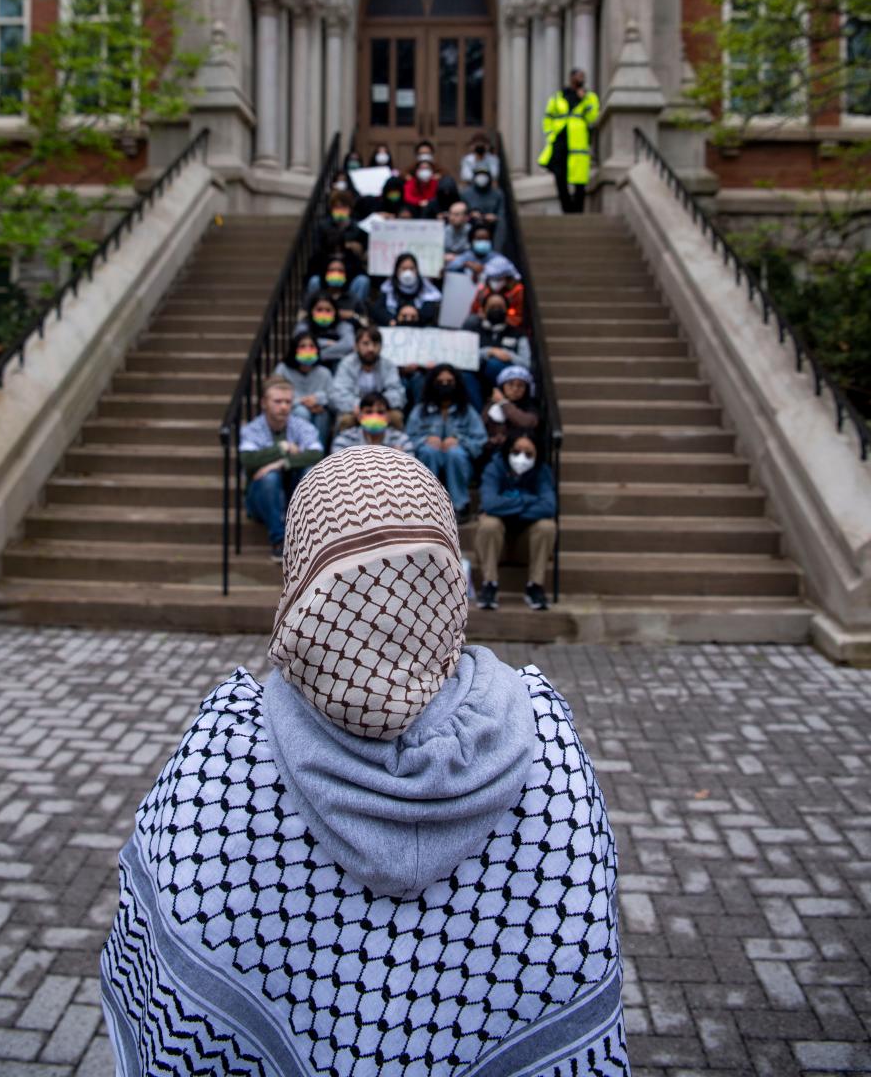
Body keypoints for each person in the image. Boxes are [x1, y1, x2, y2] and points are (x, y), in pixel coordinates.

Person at [102, 446, 626, 1076]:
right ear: (447, 575)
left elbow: (162, 986)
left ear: (299, 573)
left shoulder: (227, 742)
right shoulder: (544, 730)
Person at [238, 376, 323, 559]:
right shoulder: (251, 429)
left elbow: (317, 454)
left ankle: (303, 535)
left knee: (309, 472)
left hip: (292, 492)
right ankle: (279, 540)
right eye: (277, 401)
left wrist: (281, 463)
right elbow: (248, 459)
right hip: (260, 498)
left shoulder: (301, 426)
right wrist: (282, 448)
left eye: (288, 401)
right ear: (264, 403)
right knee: (269, 478)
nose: (284, 406)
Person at [475, 433, 558, 611]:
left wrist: (507, 505)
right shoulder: (494, 468)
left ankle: (535, 586)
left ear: (536, 455)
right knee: (489, 523)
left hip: (525, 544)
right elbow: (489, 503)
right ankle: (490, 583)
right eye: (517, 451)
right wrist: (528, 500)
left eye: (528, 454)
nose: (522, 457)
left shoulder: (542, 471)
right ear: (508, 451)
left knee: (547, 525)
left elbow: (549, 507)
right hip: (497, 544)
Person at [405, 363, 487, 521]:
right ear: (432, 384)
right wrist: (425, 440)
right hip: (428, 462)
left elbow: (480, 440)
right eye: (440, 381)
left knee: (454, 453)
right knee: (429, 451)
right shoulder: (420, 411)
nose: (444, 385)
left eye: (449, 381)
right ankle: (427, 505)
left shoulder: (467, 411)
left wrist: (459, 441)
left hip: (459, 466)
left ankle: (460, 505)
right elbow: (408, 439)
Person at [538, 66, 600, 214]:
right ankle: (567, 209)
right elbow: (548, 117)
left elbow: (593, 117)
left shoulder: (590, 97)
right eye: (579, 76)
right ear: (571, 78)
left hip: (578, 143)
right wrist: (550, 134)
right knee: (560, 176)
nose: (582, 79)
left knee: (579, 179)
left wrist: (583, 99)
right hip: (560, 140)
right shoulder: (558, 97)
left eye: (583, 77)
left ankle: (577, 211)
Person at [330, 325, 406, 430]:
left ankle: (396, 446)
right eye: (365, 344)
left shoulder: (388, 365)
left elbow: (398, 393)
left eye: (375, 344)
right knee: (346, 420)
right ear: (356, 346)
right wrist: (362, 407)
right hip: (354, 410)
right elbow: (338, 395)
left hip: (382, 409)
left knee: (396, 417)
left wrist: (379, 407)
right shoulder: (346, 364)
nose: (371, 349)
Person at [273, 332, 334, 448]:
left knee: (323, 414)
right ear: (294, 349)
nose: (308, 350)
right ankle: (301, 451)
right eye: (302, 346)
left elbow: (334, 398)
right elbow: (275, 396)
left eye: (312, 346)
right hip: (291, 412)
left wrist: (318, 399)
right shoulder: (283, 369)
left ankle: (317, 453)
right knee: (302, 412)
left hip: (319, 414)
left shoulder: (324, 372)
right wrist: (302, 402)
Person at [331, 390, 415, 453]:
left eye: (380, 412)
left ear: (388, 416)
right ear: (359, 416)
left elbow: (411, 467)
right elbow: (337, 466)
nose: (375, 416)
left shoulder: (401, 440)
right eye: (369, 412)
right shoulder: (344, 439)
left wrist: (401, 460)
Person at [373, 250, 441, 324]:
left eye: (411, 269)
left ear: (417, 270)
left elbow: (430, 309)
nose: (408, 273)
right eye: (404, 269)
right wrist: (392, 319)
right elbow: (378, 310)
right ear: (397, 270)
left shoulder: (425, 288)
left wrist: (416, 315)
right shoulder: (389, 288)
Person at [484, 363, 539, 453]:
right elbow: (482, 426)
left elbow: (526, 422)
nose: (515, 389)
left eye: (520, 385)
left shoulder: (530, 407)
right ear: (503, 386)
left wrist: (503, 403)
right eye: (510, 384)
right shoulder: (491, 404)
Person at [294, 293, 357, 368]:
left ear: (335, 312)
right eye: (319, 310)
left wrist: (320, 354)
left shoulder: (343, 325)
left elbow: (349, 344)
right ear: (311, 311)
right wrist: (327, 343)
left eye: (328, 310)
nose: (323, 313)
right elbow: (298, 341)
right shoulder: (303, 325)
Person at [470, 253, 526, 329]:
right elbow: (473, 312)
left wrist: (500, 319)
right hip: (484, 327)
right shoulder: (482, 291)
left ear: (507, 278)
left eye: (498, 278)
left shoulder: (518, 292)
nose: (494, 281)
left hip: (509, 329)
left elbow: (520, 318)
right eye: (492, 278)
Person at [305, 251, 370, 314]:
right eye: (332, 270)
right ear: (325, 273)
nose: (336, 273)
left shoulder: (353, 297)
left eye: (340, 271)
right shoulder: (315, 295)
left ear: (345, 275)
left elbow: (362, 318)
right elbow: (303, 314)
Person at [459, 163, 506, 249]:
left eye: (484, 175)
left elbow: (501, 216)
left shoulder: (497, 194)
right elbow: (461, 214)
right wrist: (471, 215)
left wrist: (494, 218)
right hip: (471, 231)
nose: (481, 178)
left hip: (491, 230)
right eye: (479, 175)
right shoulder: (466, 194)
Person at [442, 198, 471, 264]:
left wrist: (458, 258)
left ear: (466, 217)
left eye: (456, 215)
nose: (452, 218)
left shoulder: (472, 232)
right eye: (450, 214)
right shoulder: (443, 231)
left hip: (466, 265)